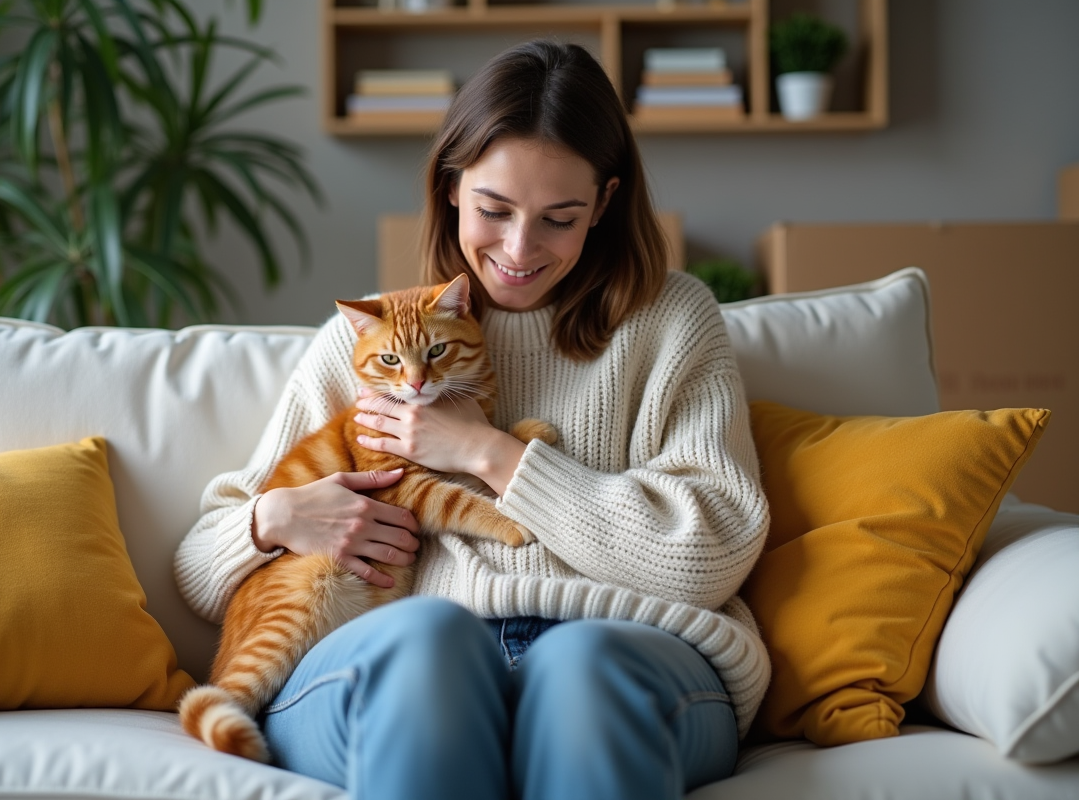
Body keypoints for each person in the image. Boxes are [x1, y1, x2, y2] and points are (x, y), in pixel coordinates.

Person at [174, 39, 770, 800]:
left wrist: (488, 454)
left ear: (606, 204)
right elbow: (196, 569)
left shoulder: (671, 321)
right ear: (451, 188)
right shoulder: (365, 342)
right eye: (494, 210)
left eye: (560, 218)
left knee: (581, 667)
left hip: (626, 646)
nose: (520, 249)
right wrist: (278, 515)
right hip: (416, 652)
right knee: (431, 641)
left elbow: (712, 553)